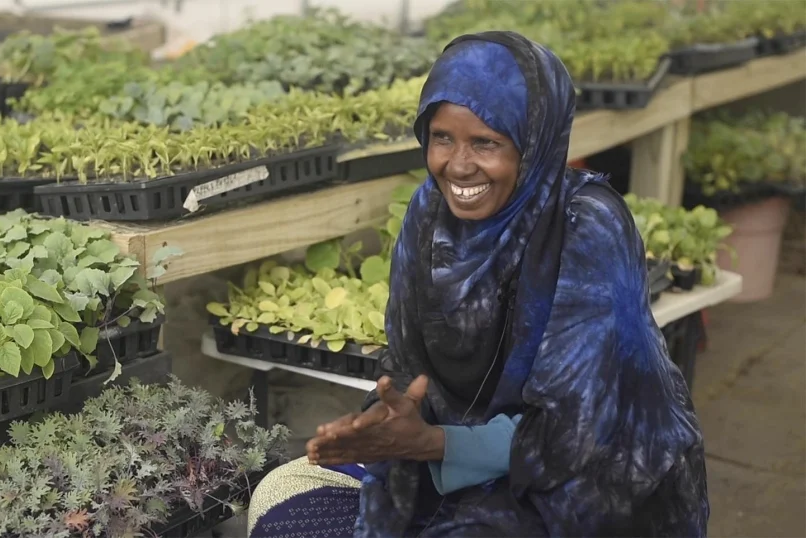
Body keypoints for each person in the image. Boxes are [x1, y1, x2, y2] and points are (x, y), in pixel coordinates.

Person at [247, 31, 709, 537]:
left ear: (533, 145)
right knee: (281, 497)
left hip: (593, 485)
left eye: (486, 142)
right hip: (452, 461)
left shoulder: (585, 227)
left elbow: (580, 431)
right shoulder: (429, 214)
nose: (458, 165)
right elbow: (406, 368)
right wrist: (385, 421)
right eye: (442, 137)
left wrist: (432, 444)